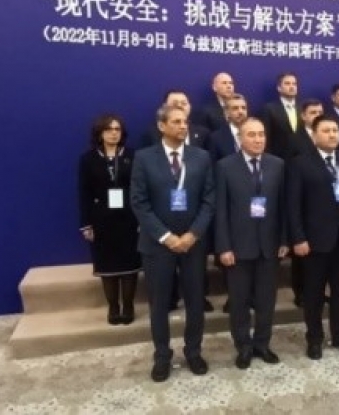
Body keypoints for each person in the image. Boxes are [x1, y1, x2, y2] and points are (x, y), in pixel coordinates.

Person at [130, 105, 214, 382]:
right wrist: (166, 237)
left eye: (185, 121)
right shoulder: (144, 158)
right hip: (157, 245)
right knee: (160, 304)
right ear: (161, 126)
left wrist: (193, 234)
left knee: (195, 302)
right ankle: (162, 356)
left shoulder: (201, 157)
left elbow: (209, 200)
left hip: (193, 243)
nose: (183, 126)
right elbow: (139, 203)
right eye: (176, 122)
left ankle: (194, 352)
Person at [287, 116, 339, 360]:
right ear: (314, 135)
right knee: (313, 294)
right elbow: (293, 206)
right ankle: (314, 338)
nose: (333, 134)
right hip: (313, 241)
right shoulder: (300, 164)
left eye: (335, 130)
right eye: (326, 130)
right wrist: (298, 238)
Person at [215, 118, 286, 368]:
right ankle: (243, 346)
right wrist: (224, 246)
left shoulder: (277, 164)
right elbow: (220, 210)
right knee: (239, 301)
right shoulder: (225, 166)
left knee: (267, 301)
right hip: (238, 246)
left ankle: (262, 344)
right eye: (252, 135)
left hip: (269, 245)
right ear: (240, 138)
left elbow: (283, 205)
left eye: (261, 134)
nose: (258, 139)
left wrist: (284, 239)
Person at [78, 114, 140, 325]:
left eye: (117, 129)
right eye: (109, 129)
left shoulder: (133, 156)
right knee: (108, 267)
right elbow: (84, 193)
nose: (114, 133)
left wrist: (142, 220)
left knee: (130, 266)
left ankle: (128, 306)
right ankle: (113, 307)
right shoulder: (88, 159)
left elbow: (141, 189)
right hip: (101, 221)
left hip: (129, 219)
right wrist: (86, 224)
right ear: (100, 133)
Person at [141, 91, 210, 148]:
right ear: (164, 106)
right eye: (175, 103)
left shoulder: (203, 134)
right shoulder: (152, 135)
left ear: (190, 107)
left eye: (184, 103)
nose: (179, 106)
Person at [259, 72, 302, 160]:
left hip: (301, 160)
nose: (292, 87)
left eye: (294, 84)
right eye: (287, 83)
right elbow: (266, 137)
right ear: (279, 88)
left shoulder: (303, 108)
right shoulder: (269, 109)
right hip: (278, 159)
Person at [207, 94, 249, 162]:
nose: (240, 112)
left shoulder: (256, 134)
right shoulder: (216, 138)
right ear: (226, 113)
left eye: (243, 108)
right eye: (235, 108)